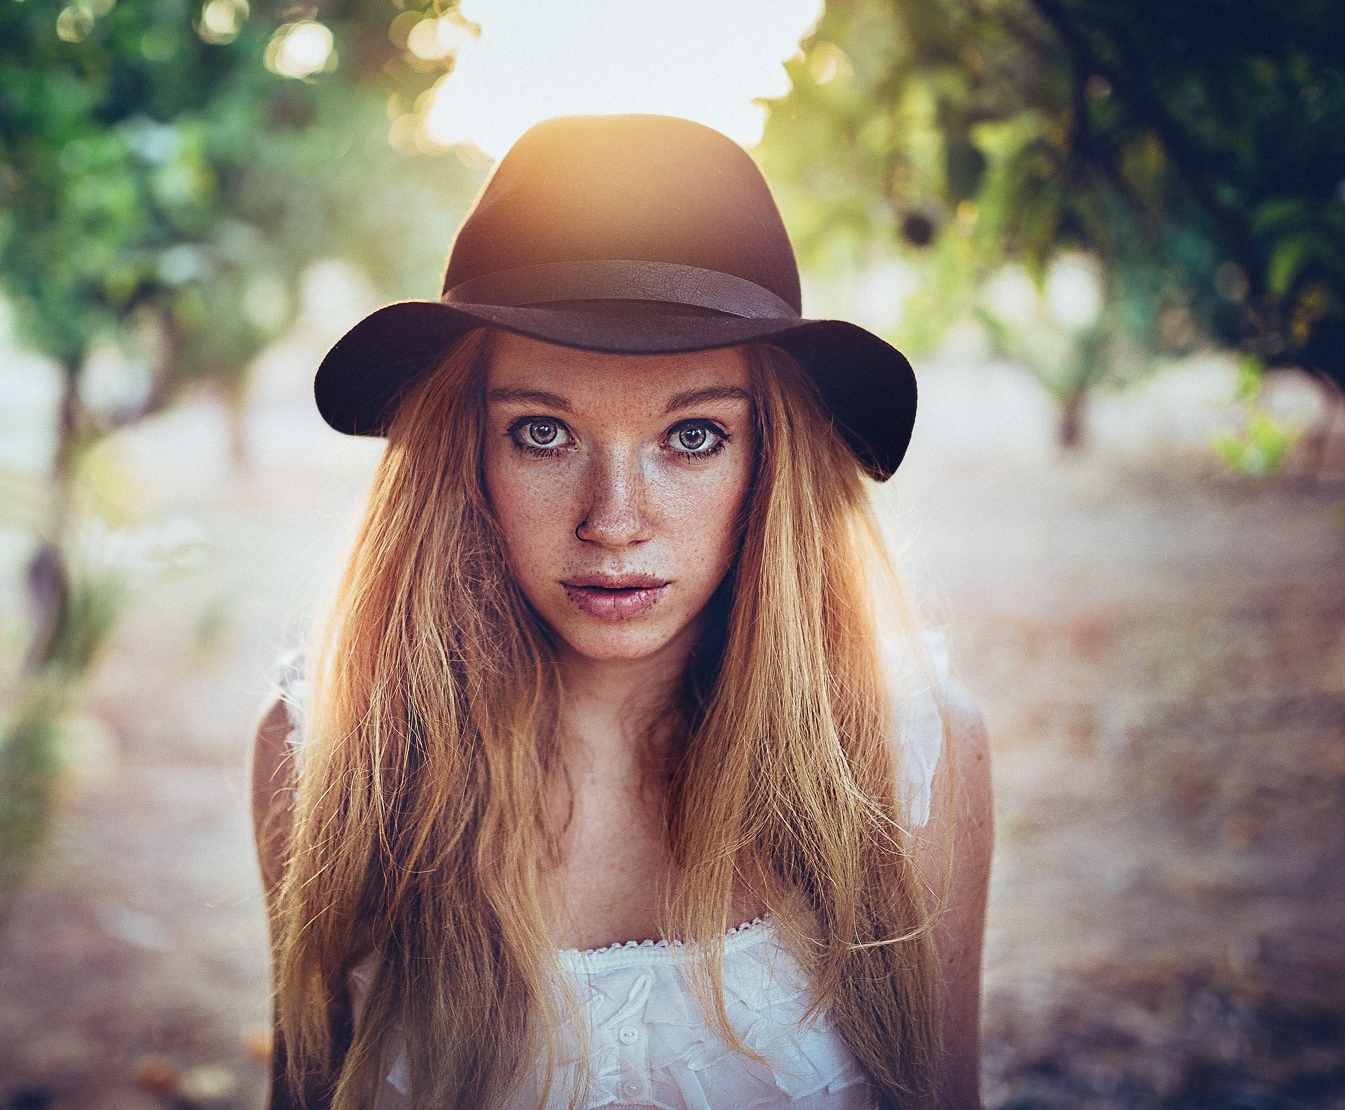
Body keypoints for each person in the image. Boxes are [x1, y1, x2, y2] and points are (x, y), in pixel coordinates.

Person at [249, 113, 993, 1110]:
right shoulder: (341, 755)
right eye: (543, 432)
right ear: (464, 455)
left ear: (771, 462)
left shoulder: (911, 755)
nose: (614, 520)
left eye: (691, 436)